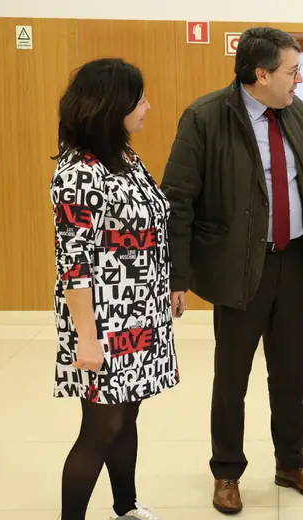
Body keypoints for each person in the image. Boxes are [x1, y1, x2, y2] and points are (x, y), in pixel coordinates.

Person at [161, 27, 303, 515]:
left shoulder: (294, 114)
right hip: (237, 266)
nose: (300, 79)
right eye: (292, 71)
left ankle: (291, 462)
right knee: (233, 378)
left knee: (292, 374)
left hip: (293, 261)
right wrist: (177, 277)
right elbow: (178, 200)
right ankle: (227, 471)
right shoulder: (206, 117)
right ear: (261, 73)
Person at [51, 57, 178, 520]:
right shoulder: (78, 172)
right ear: (112, 104)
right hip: (103, 318)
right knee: (100, 428)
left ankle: (125, 506)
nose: (148, 106)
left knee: (128, 415)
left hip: (140, 310)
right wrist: (86, 336)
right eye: (138, 98)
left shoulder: (123, 156)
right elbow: (74, 262)